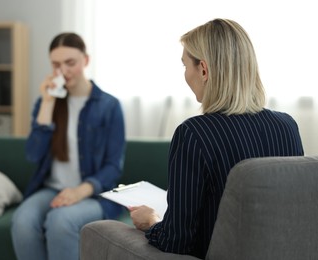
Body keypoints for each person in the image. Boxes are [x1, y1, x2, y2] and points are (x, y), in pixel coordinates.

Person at [129, 18, 304, 259]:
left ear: (203, 70)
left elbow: (177, 241)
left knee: (99, 230)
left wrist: (151, 221)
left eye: (185, 65)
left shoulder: (193, 133)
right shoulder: (287, 126)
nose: (185, 74)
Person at [10, 32, 126, 260]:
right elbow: (33, 154)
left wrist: (79, 191)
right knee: (22, 221)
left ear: (85, 60)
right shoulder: (47, 104)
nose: (63, 71)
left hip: (94, 195)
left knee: (60, 221)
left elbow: (113, 166)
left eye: (70, 63)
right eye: (56, 65)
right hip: (52, 189)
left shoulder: (109, 106)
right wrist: (47, 102)